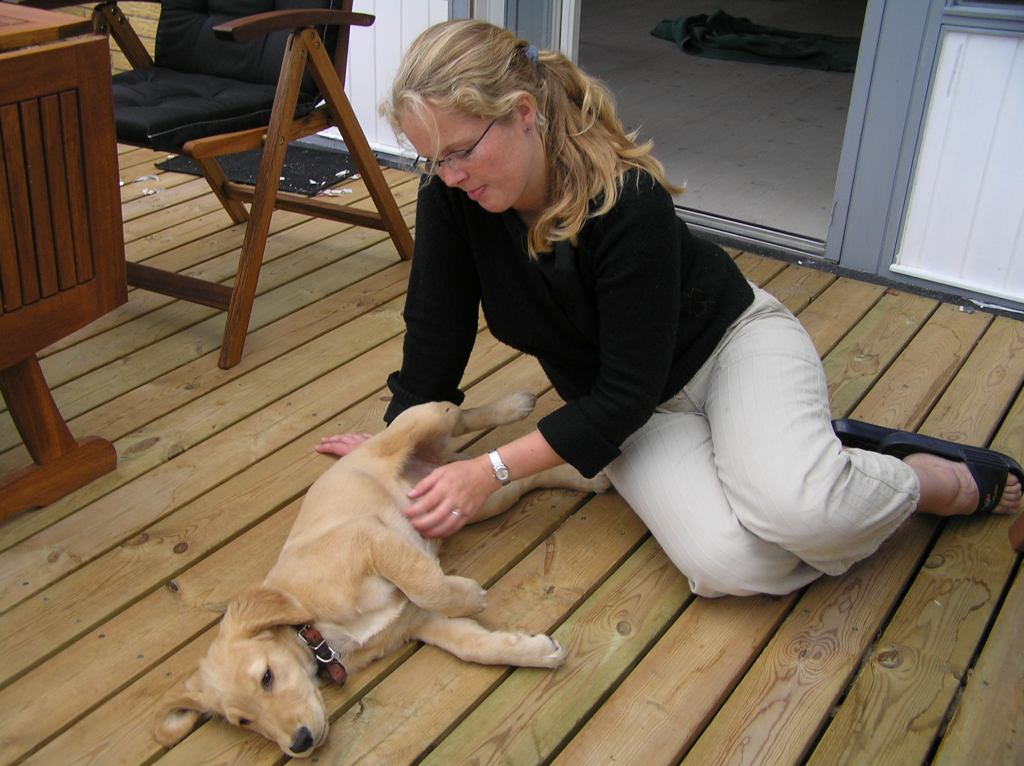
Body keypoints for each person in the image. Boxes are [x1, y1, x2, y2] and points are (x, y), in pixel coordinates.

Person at [317, 19, 1022, 597]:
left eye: (461, 152)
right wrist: (395, 445)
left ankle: (929, 480)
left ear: (523, 113)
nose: (450, 176)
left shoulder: (626, 201)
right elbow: (435, 334)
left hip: (727, 347)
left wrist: (490, 469)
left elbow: (625, 388)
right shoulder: (453, 200)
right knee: (731, 568)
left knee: (800, 510)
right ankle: (812, 466)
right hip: (631, 411)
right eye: (432, 160)